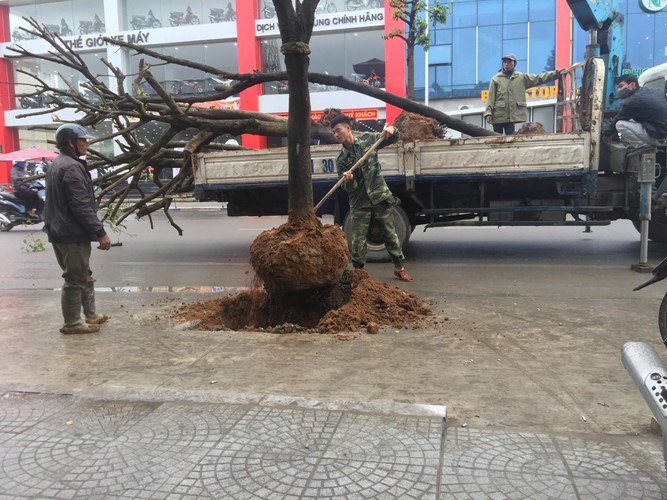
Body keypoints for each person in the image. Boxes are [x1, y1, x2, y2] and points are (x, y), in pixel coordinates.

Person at [43, 123, 111, 335]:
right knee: (75, 278)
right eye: (84, 140)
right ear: (71, 143)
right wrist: (100, 232)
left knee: (83, 273)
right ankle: (72, 323)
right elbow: (80, 205)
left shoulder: (59, 163)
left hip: (60, 231)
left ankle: (91, 315)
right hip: (71, 233)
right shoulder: (71, 167)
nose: (87, 144)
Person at [330, 114, 413, 282]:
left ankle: (399, 268)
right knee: (358, 240)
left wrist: (392, 130)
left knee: (389, 234)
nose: (336, 135)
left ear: (348, 128)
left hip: (379, 197)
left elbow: (394, 137)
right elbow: (348, 189)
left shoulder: (369, 140)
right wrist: (349, 180)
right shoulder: (342, 160)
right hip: (359, 202)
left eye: (338, 130)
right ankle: (359, 273)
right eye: (333, 133)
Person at [484, 53, 561, 135]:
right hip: (498, 115)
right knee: (496, 138)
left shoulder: (521, 77)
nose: (507, 64)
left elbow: (539, 78)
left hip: (511, 117)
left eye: (509, 62)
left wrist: (556, 74)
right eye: (505, 62)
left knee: (510, 139)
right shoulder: (496, 79)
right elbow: (490, 98)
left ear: (514, 63)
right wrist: (488, 113)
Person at [604, 74, 667, 148]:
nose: (619, 90)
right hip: (663, 134)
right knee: (631, 119)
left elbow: (617, 119)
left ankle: (642, 147)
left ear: (632, 85)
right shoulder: (655, 91)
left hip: (658, 137)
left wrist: (606, 134)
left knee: (620, 124)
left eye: (621, 86)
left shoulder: (633, 101)